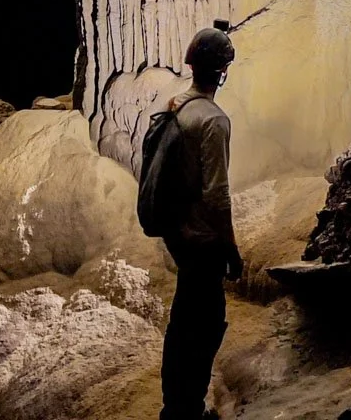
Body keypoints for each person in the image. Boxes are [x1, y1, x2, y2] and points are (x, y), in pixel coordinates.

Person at [159, 25, 244, 420]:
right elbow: (217, 195)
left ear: (191, 65)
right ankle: (188, 410)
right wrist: (230, 248)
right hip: (204, 241)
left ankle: (174, 407)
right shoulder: (213, 120)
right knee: (205, 326)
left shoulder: (174, 107)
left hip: (178, 234)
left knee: (182, 324)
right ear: (223, 71)